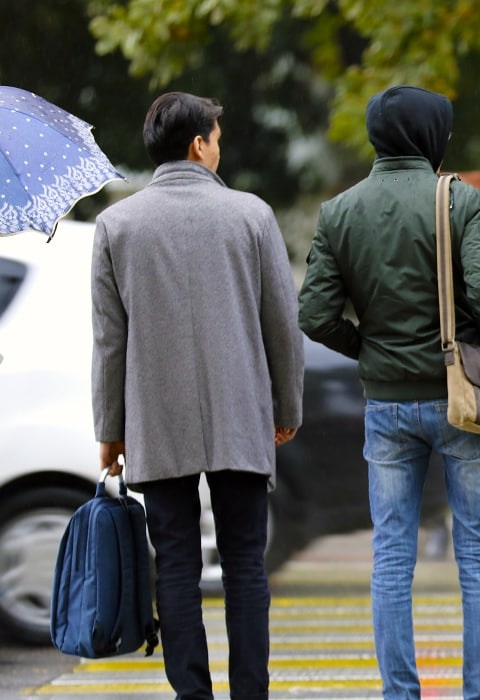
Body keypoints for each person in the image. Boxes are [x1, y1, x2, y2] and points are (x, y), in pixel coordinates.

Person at [297, 85, 480, 700]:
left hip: (386, 404)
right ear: (431, 135)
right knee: (477, 556)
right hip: (461, 401)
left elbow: (314, 313)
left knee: (391, 556)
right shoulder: (458, 197)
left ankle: (399, 693)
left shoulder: (340, 209)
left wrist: (368, 349)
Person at [91, 91, 304, 700]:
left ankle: (192, 695)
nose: (219, 147)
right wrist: (285, 408)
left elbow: (111, 342)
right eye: (217, 136)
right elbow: (281, 327)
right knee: (244, 565)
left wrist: (111, 429)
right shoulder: (251, 215)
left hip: (155, 419)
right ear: (198, 145)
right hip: (241, 414)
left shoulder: (116, 225)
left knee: (177, 565)